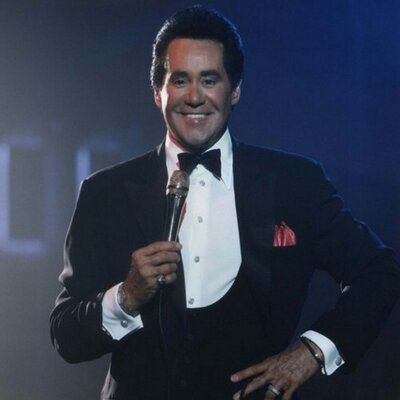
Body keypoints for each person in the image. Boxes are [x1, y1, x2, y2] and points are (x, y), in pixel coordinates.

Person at [50, 5, 400, 400]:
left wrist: (312, 351)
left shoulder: (293, 181)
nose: (194, 97)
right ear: (157, 92)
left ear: (234, 91)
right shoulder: (105, 192)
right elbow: (66, 335)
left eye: (209, 80)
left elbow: (378, 270)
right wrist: (125, 297)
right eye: (179, 80)